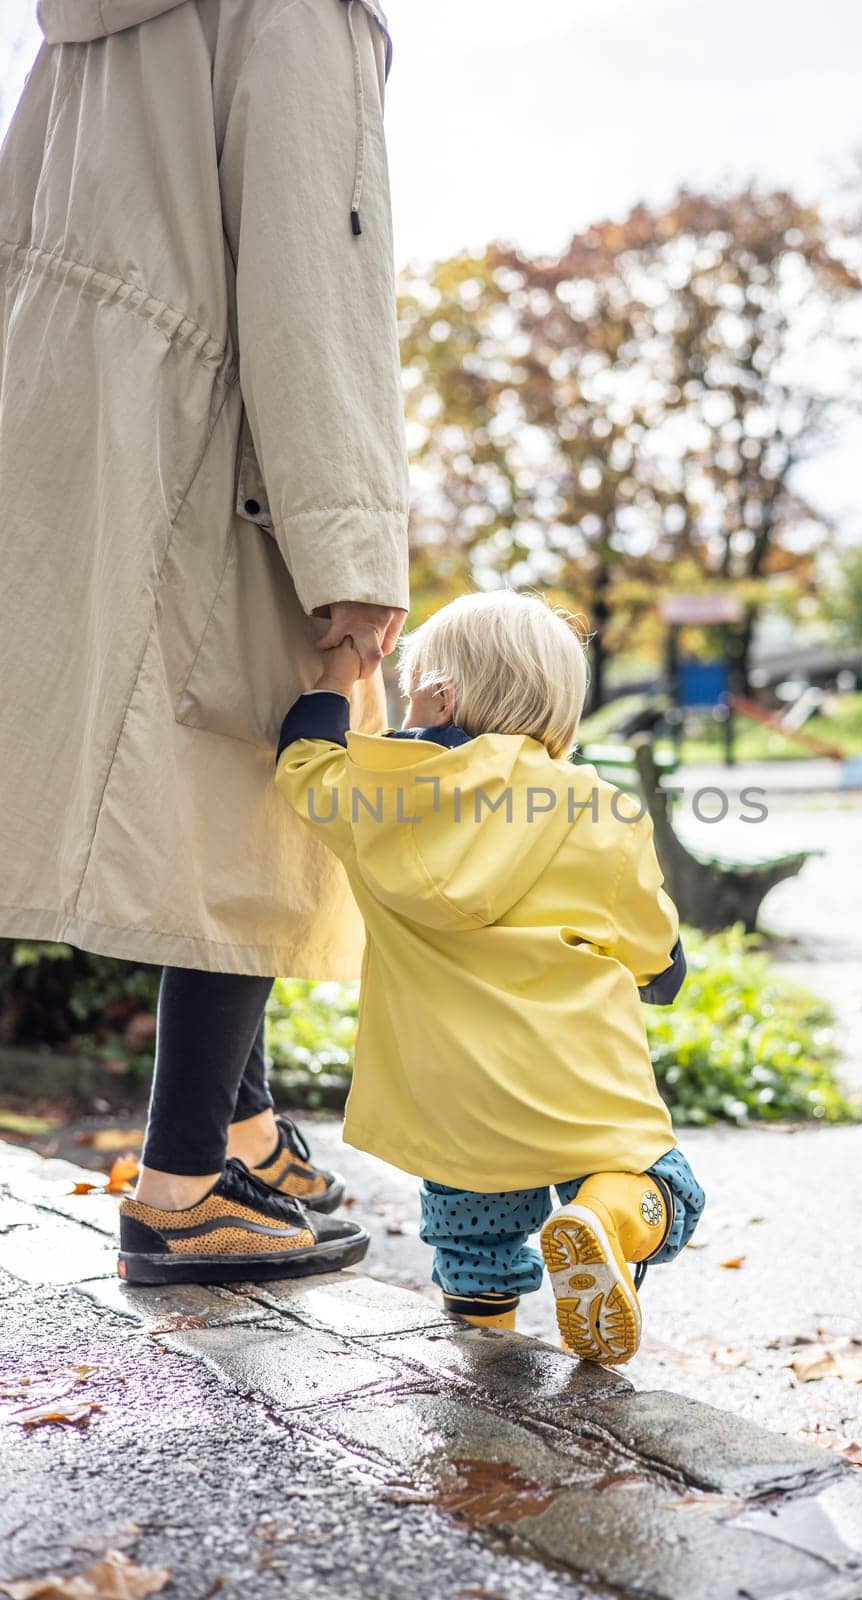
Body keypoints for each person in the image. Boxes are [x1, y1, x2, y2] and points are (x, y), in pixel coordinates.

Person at [0, 0, 409, 1280]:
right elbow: (313, 269)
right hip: (212, 422)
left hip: (77, 410)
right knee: (262, 777)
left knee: (194, 783)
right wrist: (349, 541)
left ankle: (246, 1133)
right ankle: (182, 1191)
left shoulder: (88, 17)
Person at [264, 591, 705, 1365]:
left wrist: (338, 676)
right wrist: (660, 967)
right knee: (659, 1182)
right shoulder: (593, 805)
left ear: (440, 694)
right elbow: (648, 939)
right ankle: (605, 1218)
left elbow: (303, 759)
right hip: (573, 1075)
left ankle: (484, 1353)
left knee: (474, 1229)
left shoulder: (382, 803)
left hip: (449, 1094)